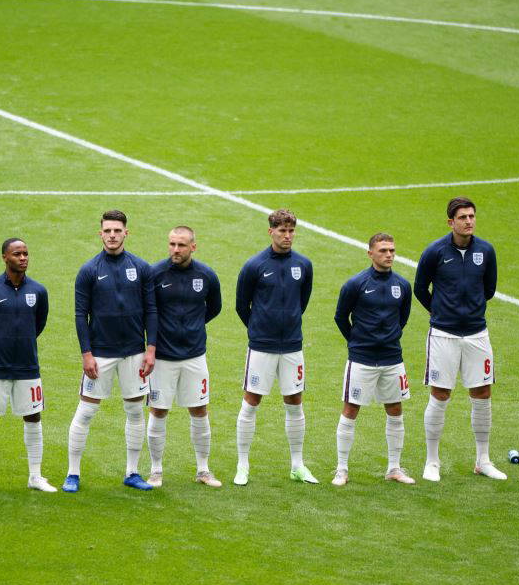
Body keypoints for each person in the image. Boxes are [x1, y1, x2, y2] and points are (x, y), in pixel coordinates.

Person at [65, 210, 158, 492]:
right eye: (108, 231)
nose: (113, 235)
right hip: (101, 354)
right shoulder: (89, 270)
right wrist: (86, 353)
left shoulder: (142, 268)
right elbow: (81, 315)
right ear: (100, 234)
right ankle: (72, 474)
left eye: (117, 230)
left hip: (134, 353)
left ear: (126, 233)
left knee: (134, 411)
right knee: (86, 411)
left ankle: (132, 472)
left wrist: (150, 348)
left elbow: (152, 310)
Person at [413, 197, 505, 481]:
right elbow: (420, 289)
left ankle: (483, 459)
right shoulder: (435, 252)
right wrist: (442, 311)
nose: (469, 221)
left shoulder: (486, 251)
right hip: (444, 334)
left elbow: (488, 289)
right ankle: (431, 461)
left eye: (472, 216)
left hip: (478, 333)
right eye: (463, 217)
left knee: (482, 393)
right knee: (441, 394)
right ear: (450, 222)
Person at [234, 208, 316, 485]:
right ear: (271, 232)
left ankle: (297, 465)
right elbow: (241, 305)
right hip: (262, 347)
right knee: (251, 401)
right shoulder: (254, 265)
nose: (287, 236)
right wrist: (259, 328)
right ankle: (242, 465)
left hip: (293, 346)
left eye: (291, 231)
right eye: (282, 231)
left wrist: (287, 323)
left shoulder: (303, 265)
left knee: (294, 402)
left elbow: (301, 302)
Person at [0, 238, 56, 493]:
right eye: (17, 254)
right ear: (4, 258)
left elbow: (38, 324)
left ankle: (35, 476)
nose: (23, 258)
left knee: (33, 417)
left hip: (28, 366)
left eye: (26, 253)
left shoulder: (38, 291)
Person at [331, 233, 416, 486]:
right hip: (362, 359)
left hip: (392, 358)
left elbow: (403, 318)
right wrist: (356, 341)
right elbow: (340, 317)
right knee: (350, 410)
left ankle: (394, 467)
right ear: (370, 253)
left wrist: (389, 338)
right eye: (383, 250)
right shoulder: (355, 284)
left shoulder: (402, 285)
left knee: (395, 410)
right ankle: (341, 469)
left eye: (391, 250)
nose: (389, 254)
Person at [146, 226, 223, 488]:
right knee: (158, 410)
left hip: (194, 356)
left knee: (199, 410)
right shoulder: (155, 274)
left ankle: (203, 470)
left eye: (181, 245)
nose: (175, 250)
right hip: (163, 358)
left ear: (193, 246)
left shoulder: (206, 275)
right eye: (172, 244)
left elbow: (215, 307)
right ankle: (156, 470)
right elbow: (148, 311)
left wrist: (193, 327)